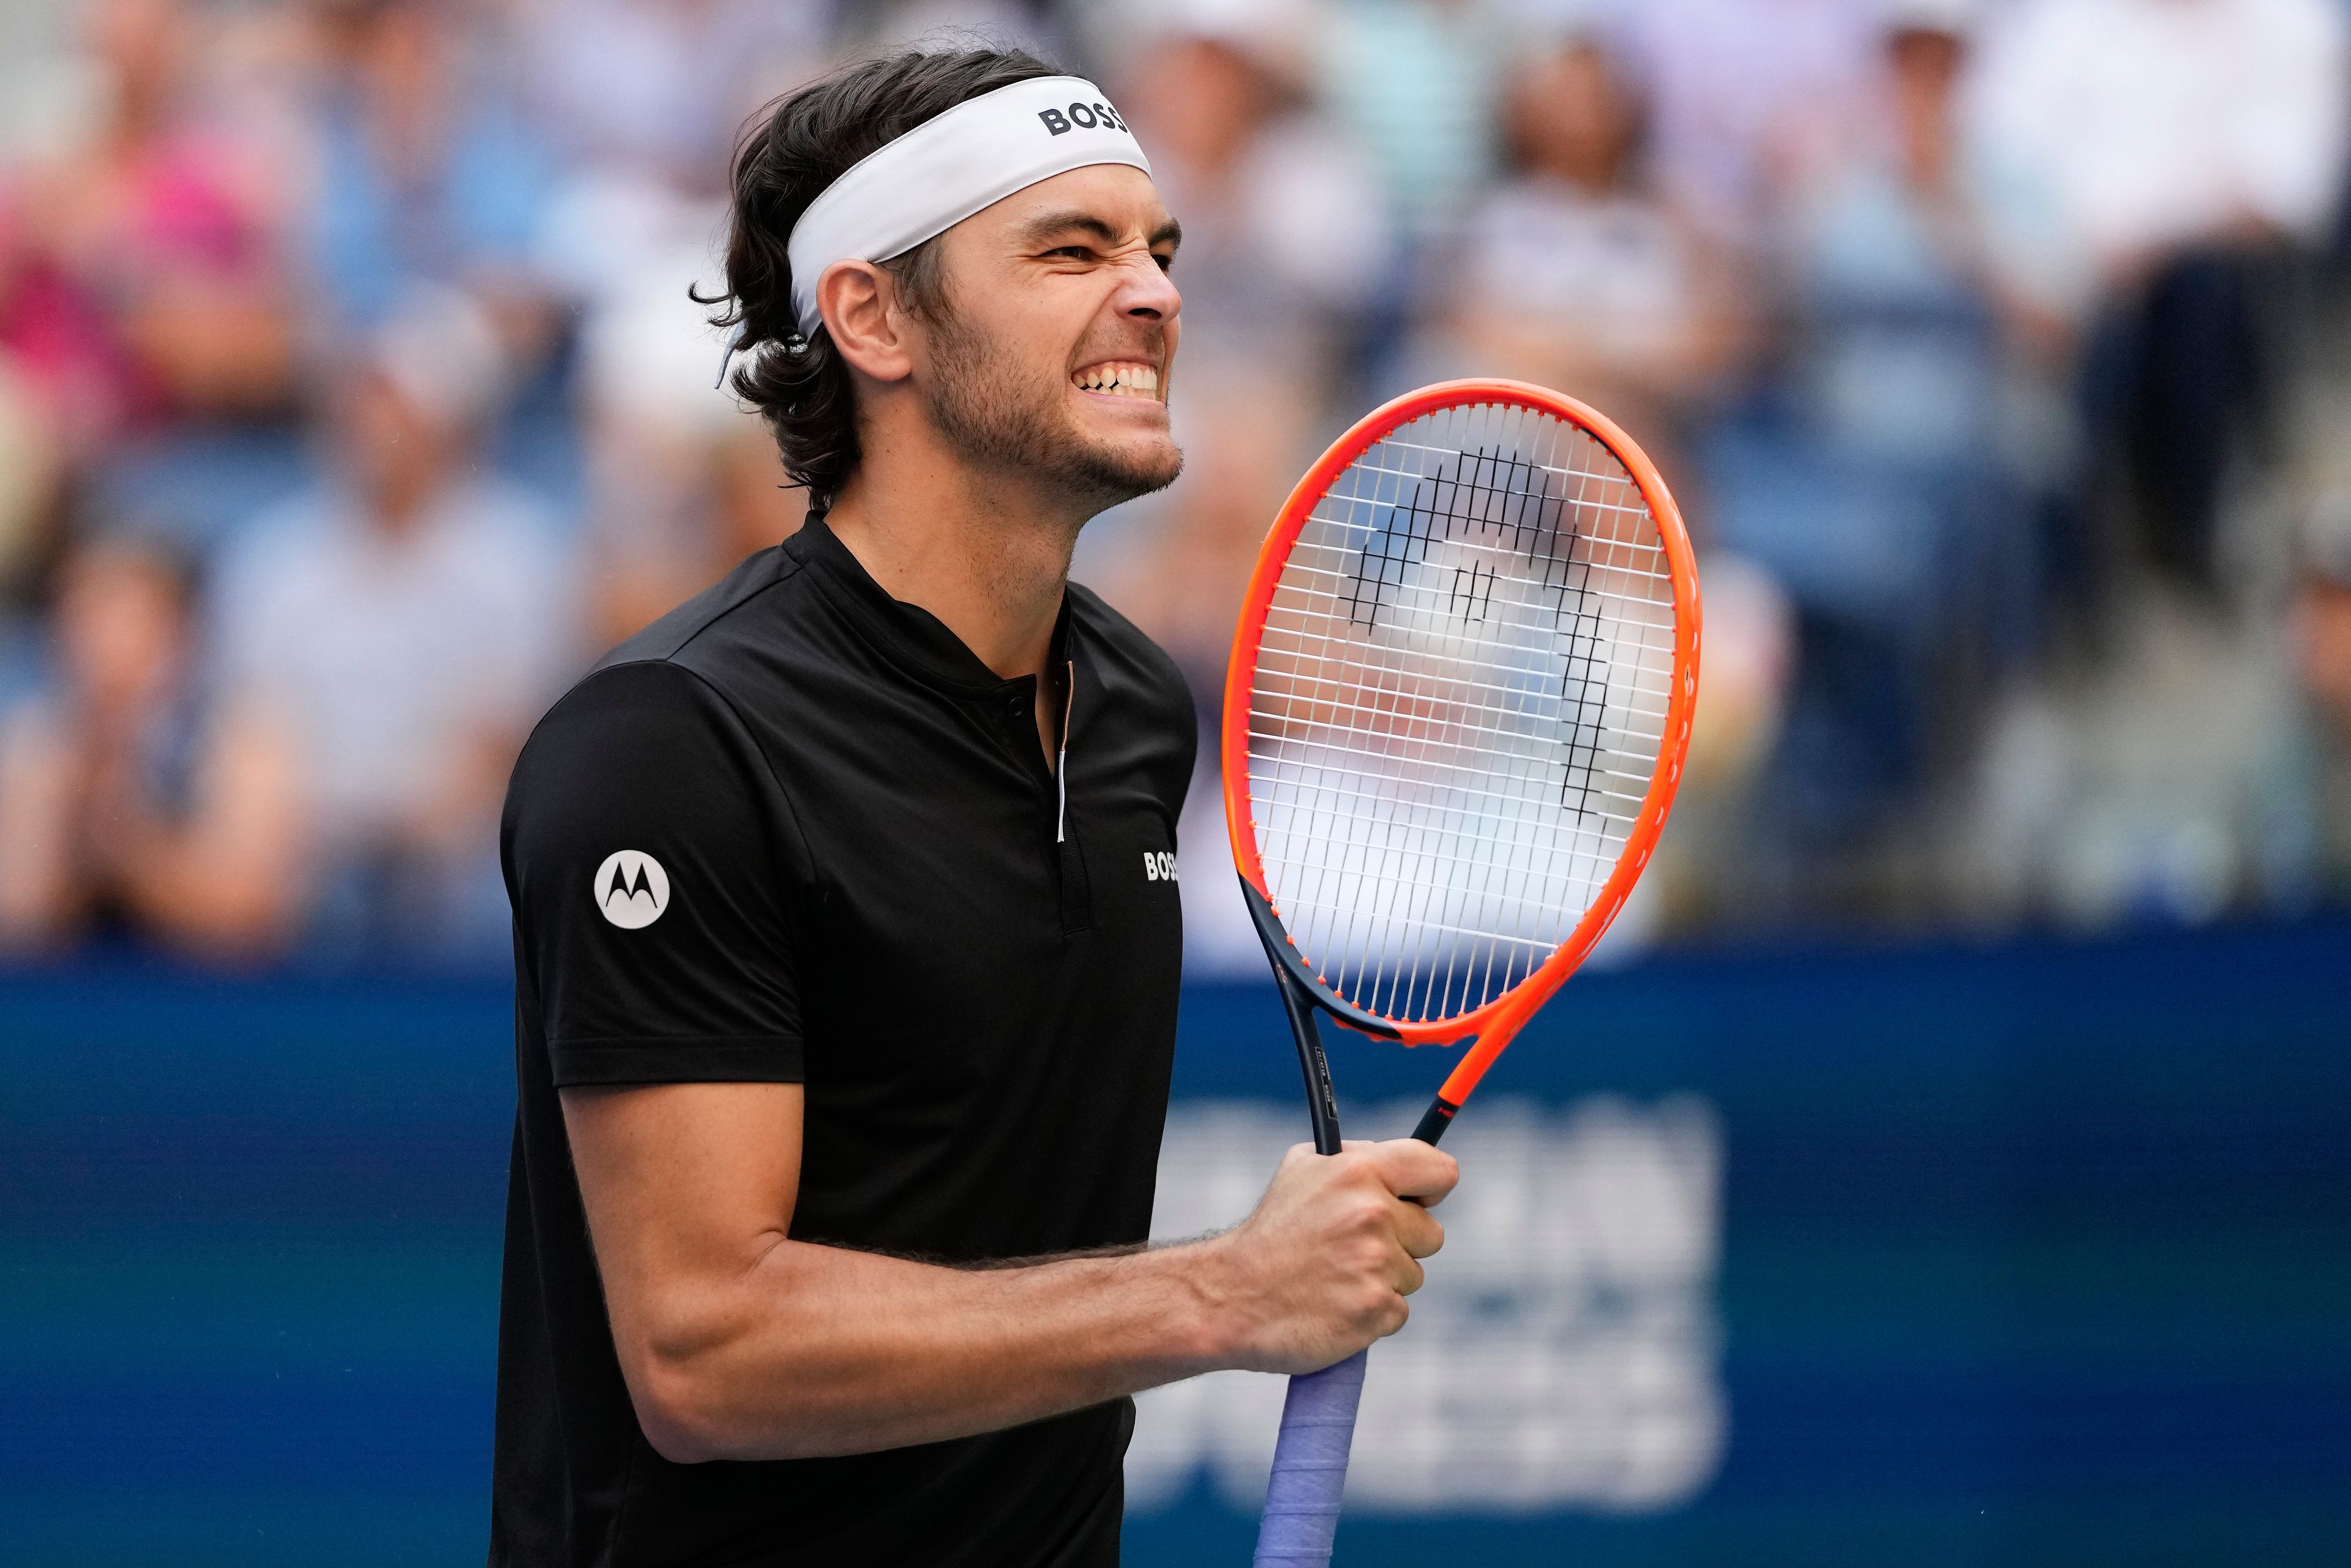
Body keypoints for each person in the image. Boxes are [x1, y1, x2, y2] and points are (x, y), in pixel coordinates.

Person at [489, 47, 1458, 1567]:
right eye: (1069, 249)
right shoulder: (670, 740)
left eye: (1156, 248)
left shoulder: (1136, 708)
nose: (1151, 293)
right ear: (872, 316)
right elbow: (702, 1348)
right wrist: (1216, 1291)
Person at [209, 287, 575, 961]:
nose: (372, 423)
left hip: (452, 843)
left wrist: (392, 836)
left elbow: (500, 743)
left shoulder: (519, 555)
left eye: (395, 401)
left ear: (449, 423)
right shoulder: (273, 557)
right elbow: (254, 730)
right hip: (303, 835)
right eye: (363, 399)